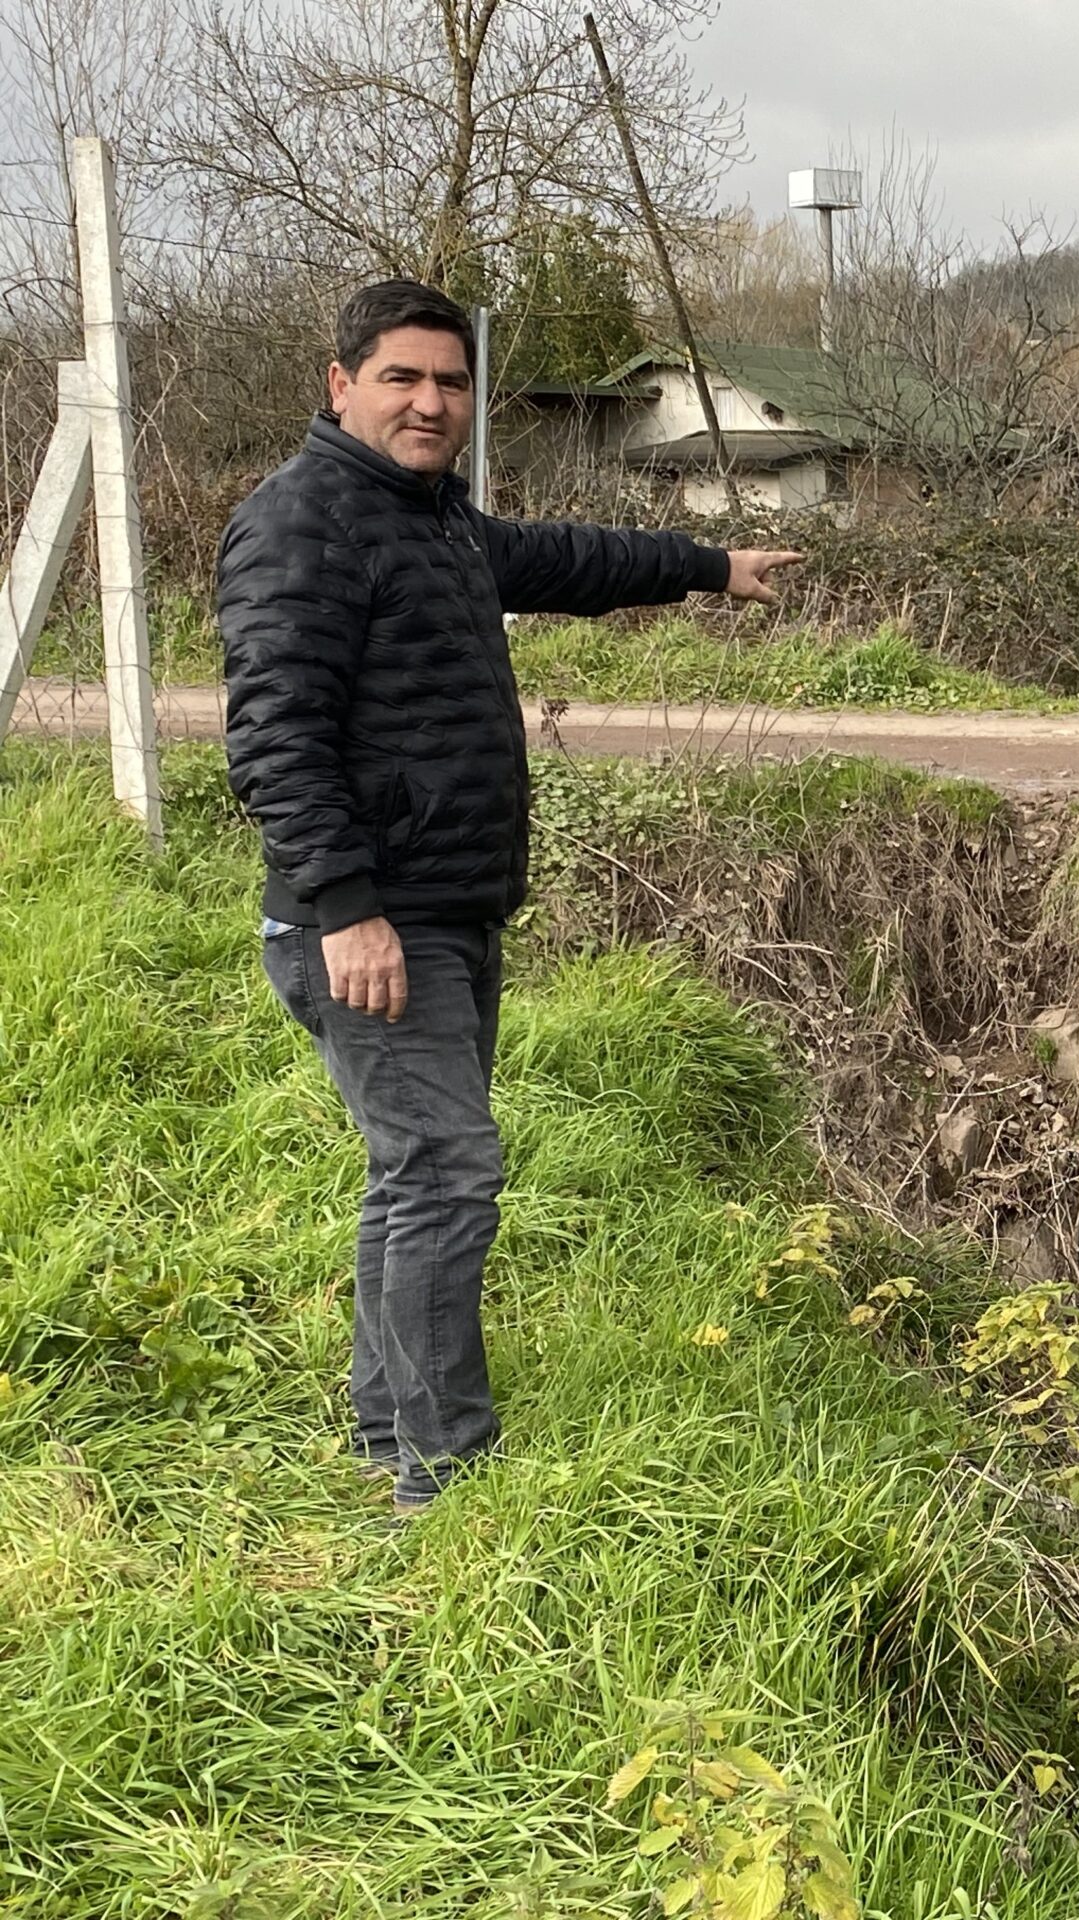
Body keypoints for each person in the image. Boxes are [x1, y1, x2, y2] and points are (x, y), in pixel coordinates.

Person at [218, 279, 802, 1515]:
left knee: (413, 1173)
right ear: (341, 385)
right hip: (381, 919)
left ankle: (393, 1432)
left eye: (450, 382)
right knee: (445, 1173)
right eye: (403, 378)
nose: (432, 402)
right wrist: (346, 909)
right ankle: (443, 1472)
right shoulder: (301, 524)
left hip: (448, 905)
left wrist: (708, 564)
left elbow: (564, 556)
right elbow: (275, 742)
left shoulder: (433, 519)